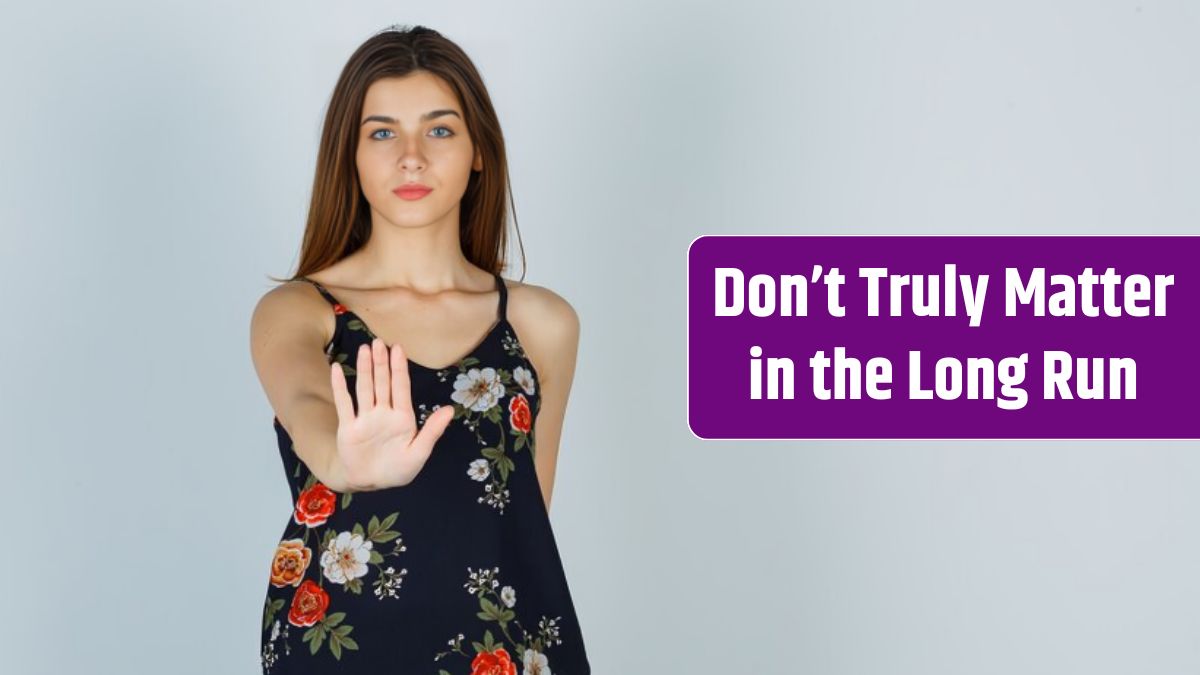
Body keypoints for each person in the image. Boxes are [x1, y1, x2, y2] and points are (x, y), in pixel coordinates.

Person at [249, 25, 590, 674]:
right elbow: (303, 400)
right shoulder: (301, 311)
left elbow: (526, 523)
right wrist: (343, 460)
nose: (411, 156)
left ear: (478, 151)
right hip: (343, 653)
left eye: (439, 129)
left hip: (506, 652)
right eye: (382, 132)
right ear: (348, 153)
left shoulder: (542, 323)